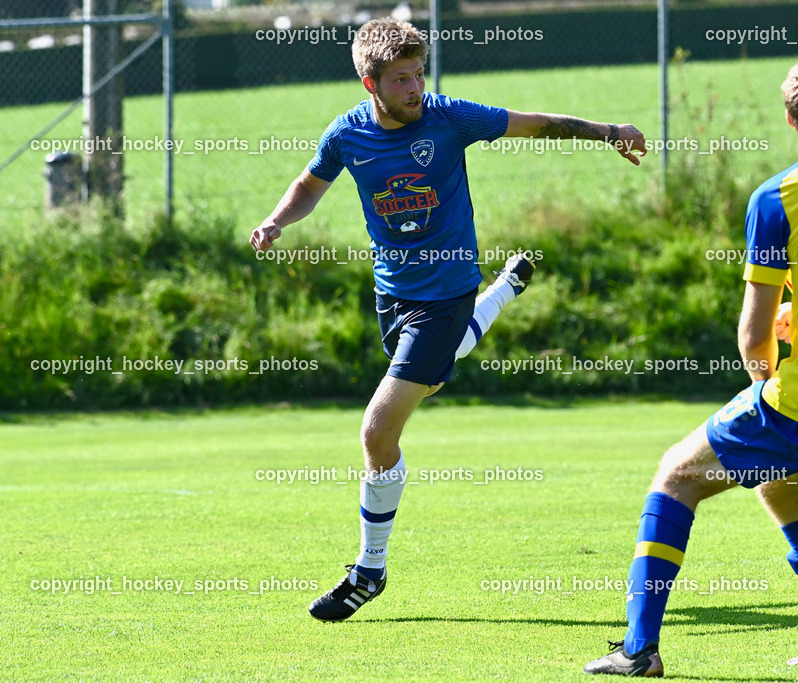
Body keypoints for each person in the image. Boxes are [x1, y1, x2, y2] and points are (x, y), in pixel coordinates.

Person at [249, 17, 647, 623]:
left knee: (378, 429)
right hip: (393, 298)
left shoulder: (448, 117)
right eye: (401, 79)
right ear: (369, 83)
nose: (415, 88)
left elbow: (533, 124)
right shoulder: (348, 133)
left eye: (419, 74)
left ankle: (369, 571)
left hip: (446, 294)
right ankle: (507, 290)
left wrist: (609, 130)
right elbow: (311, 183)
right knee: (440, 368)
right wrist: (280, 220)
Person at [584, 51, 798, 676]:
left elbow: (752, 336)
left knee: (676, 477)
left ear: (790, 119)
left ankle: (638, 651)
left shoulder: (777, 197)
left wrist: (768, 373)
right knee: (779, 484)